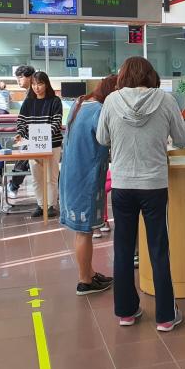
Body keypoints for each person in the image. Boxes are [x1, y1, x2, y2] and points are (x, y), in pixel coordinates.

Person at [96, 57, 185, 329]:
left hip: (123, 184)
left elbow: (101, 138)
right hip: (154, 185)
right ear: (150, 75)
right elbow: (182, 139)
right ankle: (166, 317)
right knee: (159, 249)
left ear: (123, 76)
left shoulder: (111, 101)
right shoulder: (165, 99)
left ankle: (126, 312)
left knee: (123, 249)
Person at [60, 75, 118, 295]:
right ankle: (85, 280)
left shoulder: (80, 102)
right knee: (84, 231)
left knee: (82, 229)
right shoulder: (100, 111)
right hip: (86, 176)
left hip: (71, 173)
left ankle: (90, 273)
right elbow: (106, 139)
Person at [16, 71, 63, 218]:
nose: (36, 87)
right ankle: (40, 205)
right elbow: (21, 121)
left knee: (51, 177)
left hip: (52, 144)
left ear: (46, 84)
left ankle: (51, 205)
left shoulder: (55, 101)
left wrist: (43, 135)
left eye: (40, 84)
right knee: (36, 177)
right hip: (33, 145)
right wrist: (20, 134)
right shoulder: (28, 102)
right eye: (34, 84)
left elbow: (57, 122)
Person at [7, 65, 36, 199]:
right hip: (29, 133)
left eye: (20, 77)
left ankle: (13, 186)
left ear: (30, 77)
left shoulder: (34, 93)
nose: (18, 80)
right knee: (25, 160)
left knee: (25, 160)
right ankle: (13, 186)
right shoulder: (29, 93)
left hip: (34, 134)